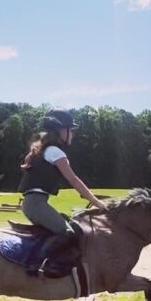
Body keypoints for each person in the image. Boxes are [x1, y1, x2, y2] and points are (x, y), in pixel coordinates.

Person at [18, 109, 106, 275]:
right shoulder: (55, 152)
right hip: (36, 205)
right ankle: (40, 267)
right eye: (70, 130)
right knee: (68, 233)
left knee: (67, 223)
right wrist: (98, 203)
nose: (72, 134)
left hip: (35, 203)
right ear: (61, 131)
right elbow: (74, 180)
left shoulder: (43, 149)